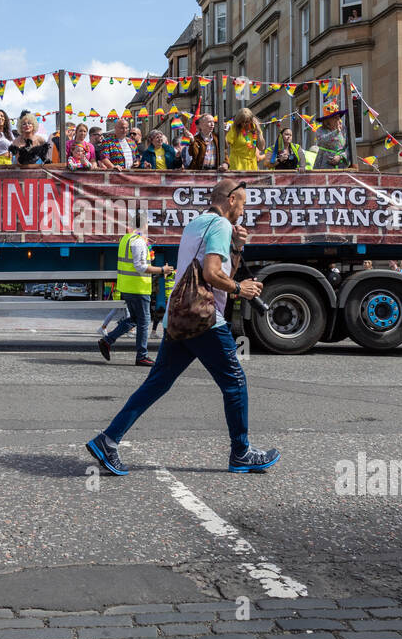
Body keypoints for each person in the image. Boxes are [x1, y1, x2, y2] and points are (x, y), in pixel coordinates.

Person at [86, 179, 280, 475]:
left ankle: (108, 440)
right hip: (204, 320)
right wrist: (241, 289)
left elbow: (221, 269)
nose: (243, 210)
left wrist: (237, 247)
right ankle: (241, 452)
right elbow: (213, 274)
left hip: (178, 317)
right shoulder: (220, 226)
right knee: (235, 383)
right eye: (242, 203)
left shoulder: (196, 223)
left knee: (157, 383)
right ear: (230, 200)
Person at [97, 210, 174, 367]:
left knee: (134, 319)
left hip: (127, 286)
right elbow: (140, 267)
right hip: (138, 288)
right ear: (144, 225)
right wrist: (161, 270)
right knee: (144, 321)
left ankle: (107, 340)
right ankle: (142, 356)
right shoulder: (138, 241)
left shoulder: (126, 239)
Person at [226, 107, 265, 172]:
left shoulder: (255, 128)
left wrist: (258, 130)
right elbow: (225, 145)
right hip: (237, 164)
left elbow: (261, 147)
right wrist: (225, 133)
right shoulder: (234, 128)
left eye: (247, 122)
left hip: (252, 165)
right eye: (242, 122)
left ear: (251, 120)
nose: (244, 124)